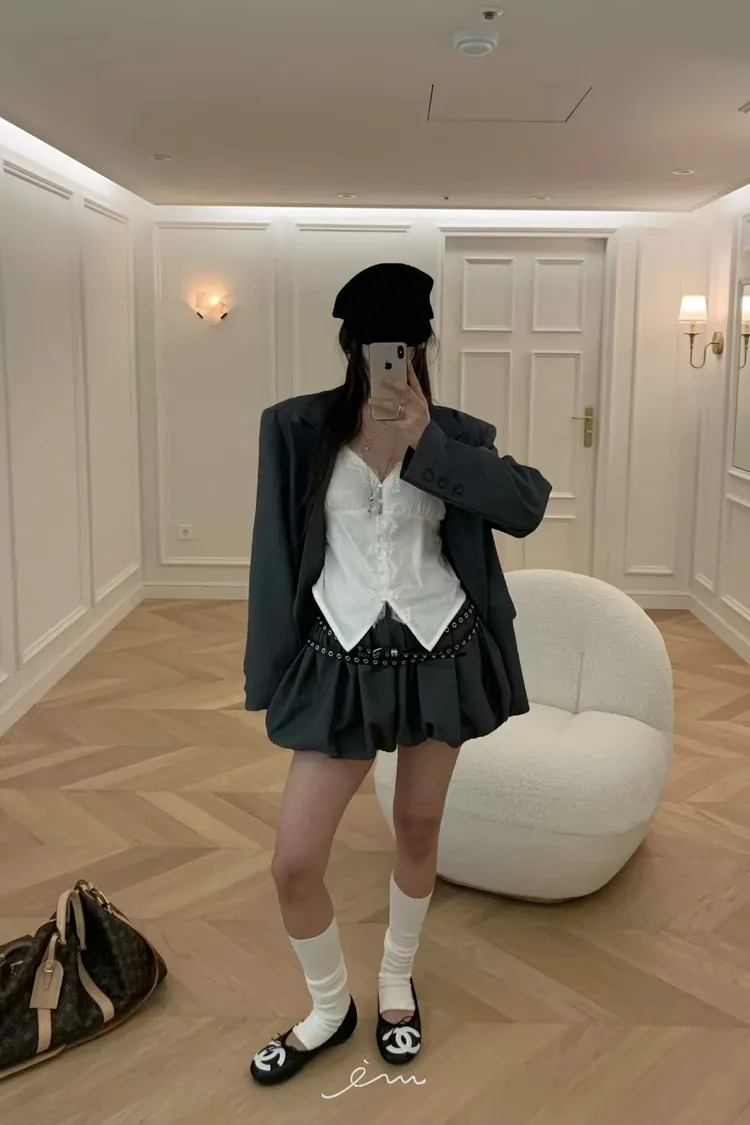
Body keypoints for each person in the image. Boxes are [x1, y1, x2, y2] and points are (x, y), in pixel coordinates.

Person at [244, 263, 552, 1085]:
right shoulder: (296, 428)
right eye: (380, 345)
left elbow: (526, 506)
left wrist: (428, 441)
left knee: (417, 827)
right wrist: (268, 671)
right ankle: (327, 1007)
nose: (393, 358)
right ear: (353, 347)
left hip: (440, 654)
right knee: (294, 861)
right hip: (339, 660)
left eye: (407, 345)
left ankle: (393, 983)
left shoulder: (456, 433)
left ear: (422, 348)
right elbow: (274, 557)